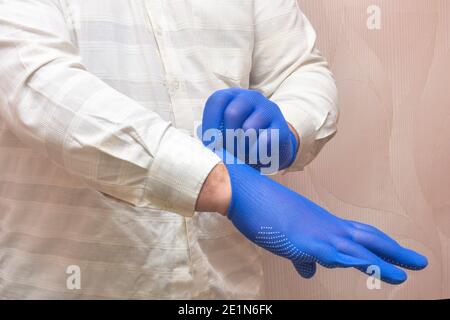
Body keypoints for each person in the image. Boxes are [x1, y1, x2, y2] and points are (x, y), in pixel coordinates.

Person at [0, 0, 427, 299]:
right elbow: (38, 86)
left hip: (227, 289)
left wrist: (288, 126)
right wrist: (226, 185)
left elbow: (300, 68)